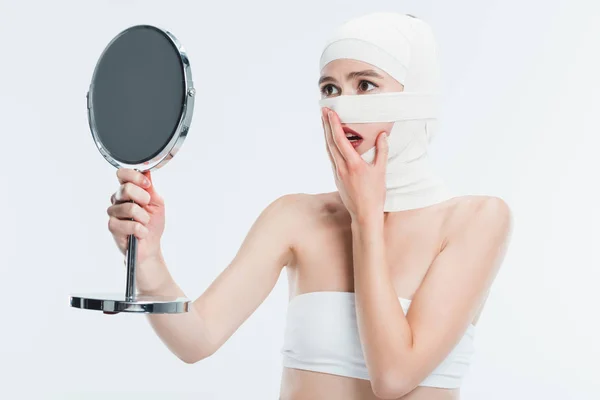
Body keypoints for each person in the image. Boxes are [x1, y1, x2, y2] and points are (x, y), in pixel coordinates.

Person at [106, 12, 512, 400]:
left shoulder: (475, 220)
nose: (341, 106)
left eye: (365, 85)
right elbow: (197, 339)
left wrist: (365, 217)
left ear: (418, 94)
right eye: (329, 89)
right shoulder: (294, 217)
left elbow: (393, 376)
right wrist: (149, 259)